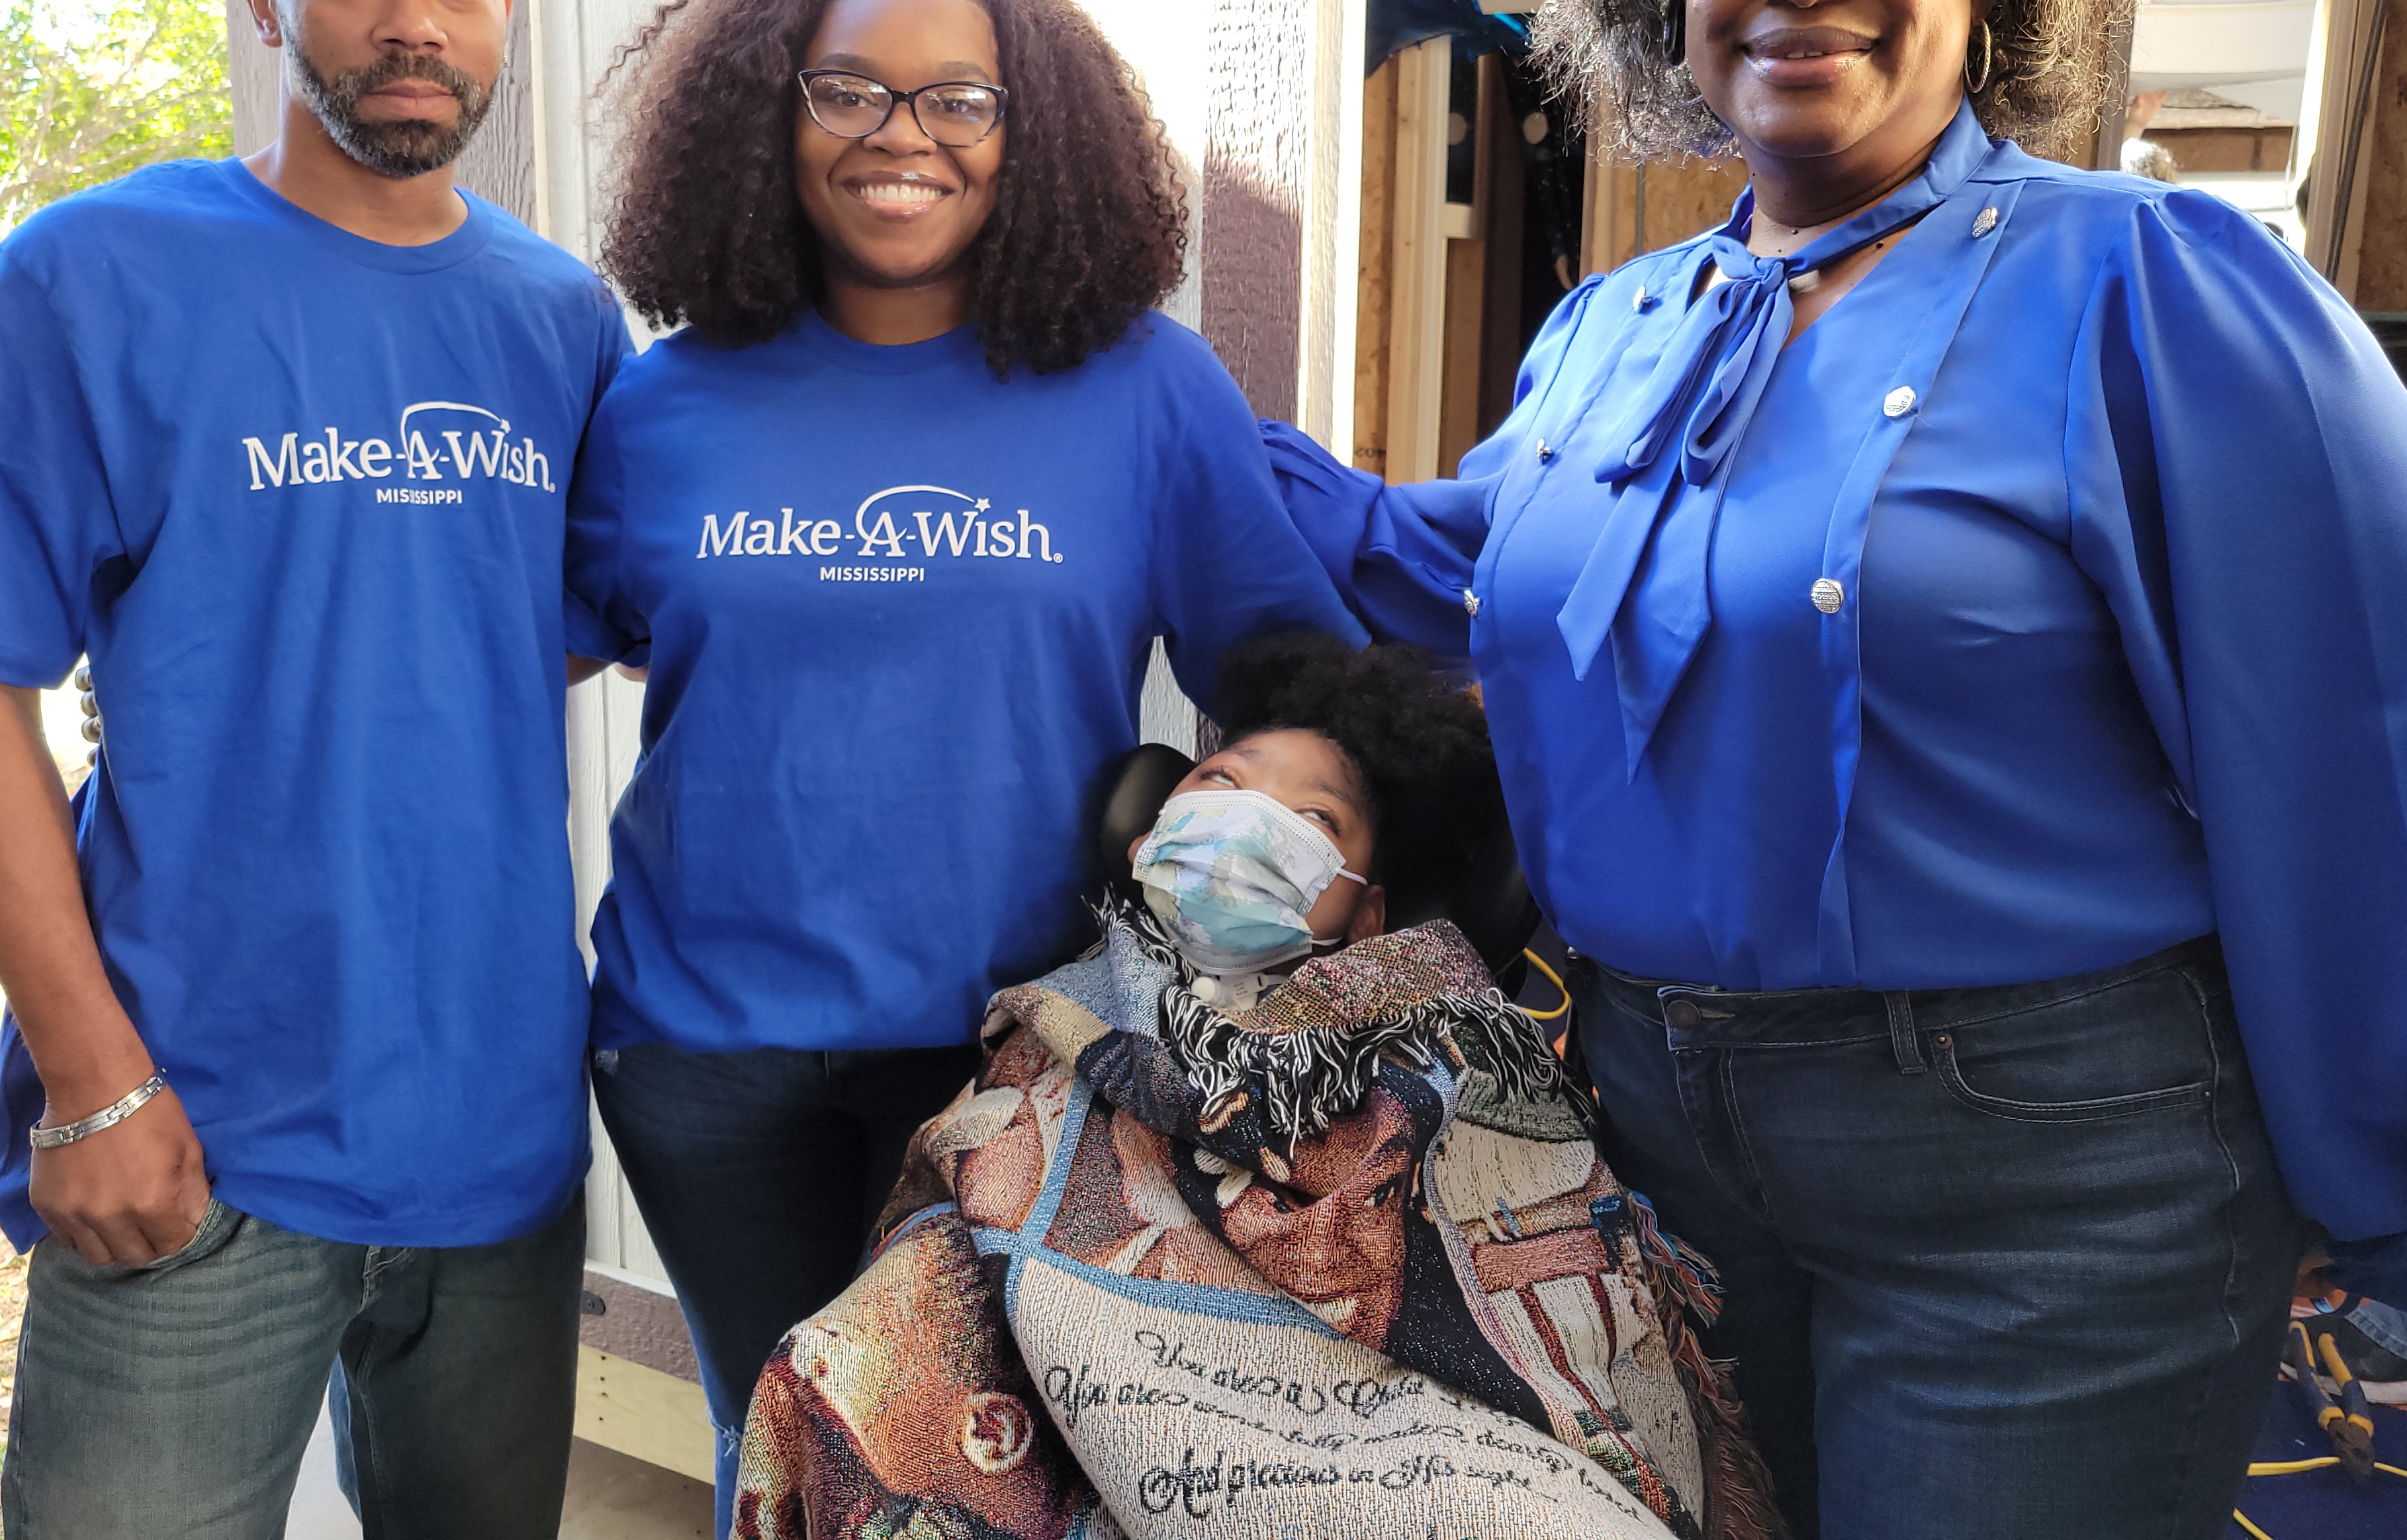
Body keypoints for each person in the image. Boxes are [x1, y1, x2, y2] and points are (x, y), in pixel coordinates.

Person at [1261, 0, 2407, 1540]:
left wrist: (2403, 1177)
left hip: (2050, 1179)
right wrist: (1120, 381)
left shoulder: (2154, 286)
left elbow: (2391, 756)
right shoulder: (1612, 327)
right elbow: (1449, 568)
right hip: (1648, 1142)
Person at [0, 0, 627, 1538]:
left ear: (502, 9)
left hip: (498, 1145)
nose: (411, 20)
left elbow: (536, 628)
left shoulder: (562, 321)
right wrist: (91, 1079)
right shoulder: (98, 275)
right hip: (193, 1133)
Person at [565, 0, 1365, 1530]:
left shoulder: (1146, 389)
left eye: (958, 99)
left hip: (1016, 1046)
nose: (902, 134)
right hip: (704, 1052)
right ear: (769, 117)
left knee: (993, 1474)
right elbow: (521, 647)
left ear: (1029, 133)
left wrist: (1301, 916)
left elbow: (1291, 689)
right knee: (777, 1446)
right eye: (848, 89)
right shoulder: (662, 403)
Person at [734, 633, 1775, 1540]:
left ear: (1366, 913)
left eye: (1313, 817)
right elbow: (979, 1201)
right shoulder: (1064, 1004)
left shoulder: (1451, 1038)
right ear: (1147, 837)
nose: (1250, 821)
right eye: (1222, 782)